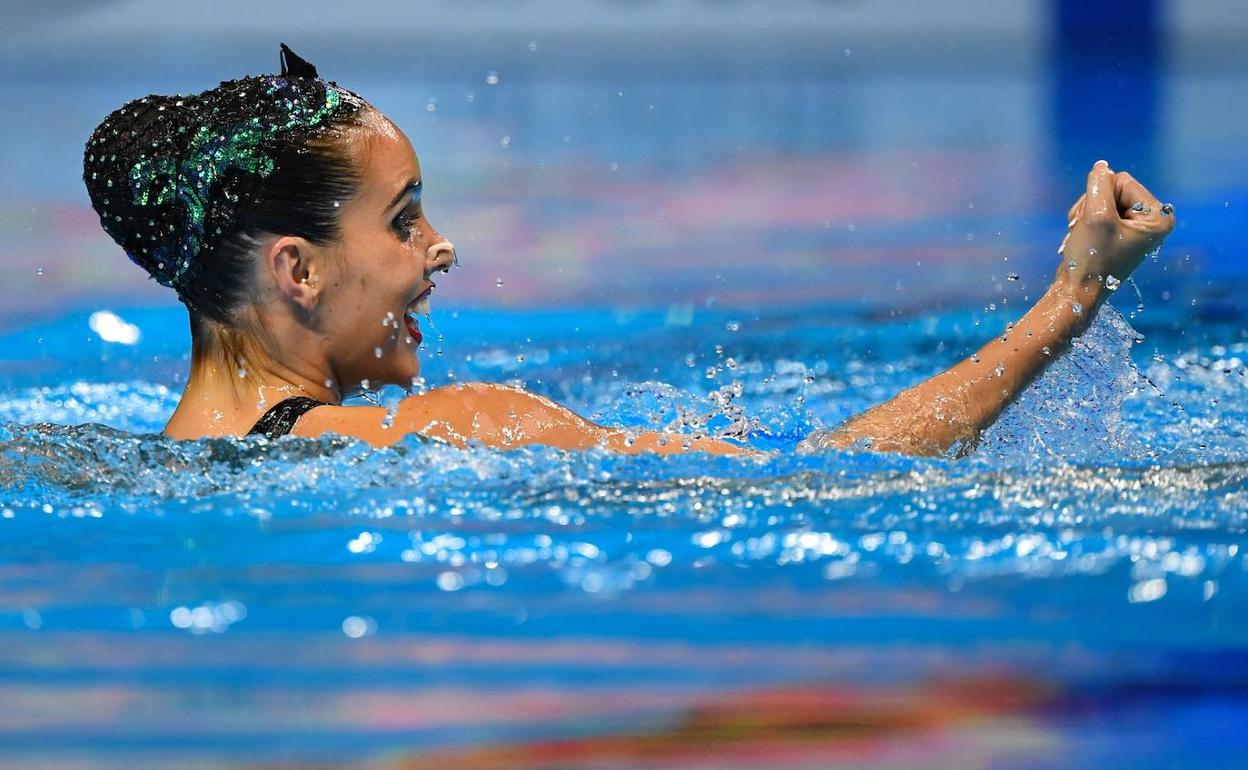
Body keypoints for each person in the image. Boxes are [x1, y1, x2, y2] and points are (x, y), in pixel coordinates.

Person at [83, 46, 1175, 458]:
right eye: (405, 218)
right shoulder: (449, 426)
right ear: (299, 270)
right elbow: (833, 475)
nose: (440, 248)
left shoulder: (121, 464)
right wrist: (1068, 300)